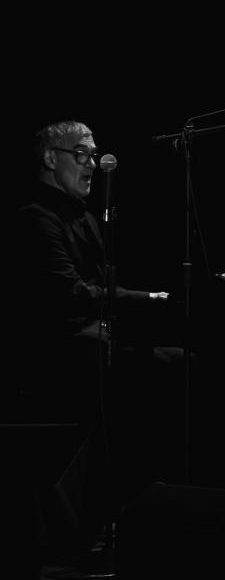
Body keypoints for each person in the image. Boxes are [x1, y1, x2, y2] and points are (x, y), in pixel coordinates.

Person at [11, 119, 184, 514]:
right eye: (81, 155)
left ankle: (147, 505)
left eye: (94, 155)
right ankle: (117, 510)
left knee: (180, 365)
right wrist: (148, 299)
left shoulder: (87, 219)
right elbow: (70, 294)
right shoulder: (35, 218)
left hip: (95, 340)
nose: (92, 164)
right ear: (50, 159)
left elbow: (105, 287)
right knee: (166, 373)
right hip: (58, 351)